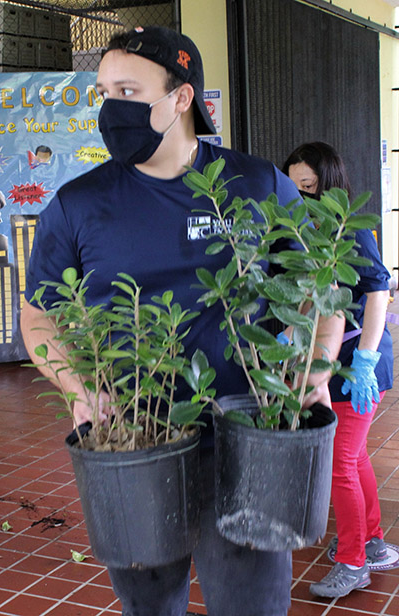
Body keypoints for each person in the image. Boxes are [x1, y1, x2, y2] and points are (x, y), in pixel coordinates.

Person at [21, 29, 344, 616]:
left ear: (180, 97)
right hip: (134, 437)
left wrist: (315, 370)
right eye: (103, 92)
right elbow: (38, 316)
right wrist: (78, 387)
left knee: (252, 605)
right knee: (148, 604)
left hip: (247, 438)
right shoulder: (77, 204)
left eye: (128, 89)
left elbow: (320, 288)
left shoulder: (257, 185)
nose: (111, 106)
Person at [282, 141, 393, 599]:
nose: (302, 198)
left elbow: (378, 292)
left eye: (308, 187)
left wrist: (365, 361)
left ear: (329, 183)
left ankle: (353, 562)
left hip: (356, 364)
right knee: (355, 456)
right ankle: (372, 543)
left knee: (340, 463)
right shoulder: (302, 233)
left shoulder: (349, 230)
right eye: (292, 189)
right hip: (328, 361)